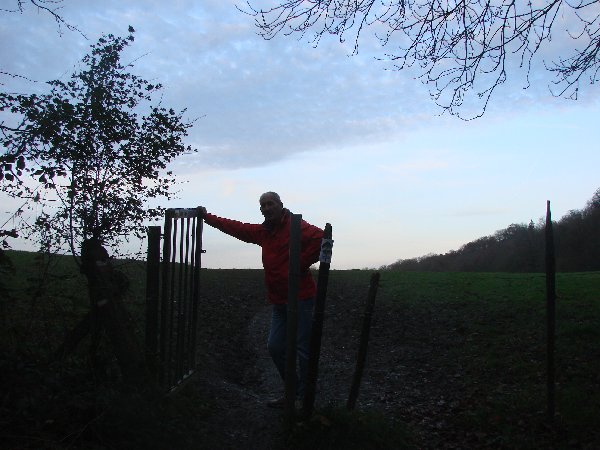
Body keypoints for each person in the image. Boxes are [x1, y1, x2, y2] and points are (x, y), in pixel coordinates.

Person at [200, 192, 324, 407]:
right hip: (279, 301)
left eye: (270, 204)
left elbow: (322, 239)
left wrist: (298, 264)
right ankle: (293, 391)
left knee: (303, 348)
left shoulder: (296, 225)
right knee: (275, 347)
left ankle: (305, 399)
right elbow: (237, 228)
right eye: (263, 205)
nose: (266, 208)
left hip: (301, 298)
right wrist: (208, 217)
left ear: (280, 205)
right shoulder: (263, 232)